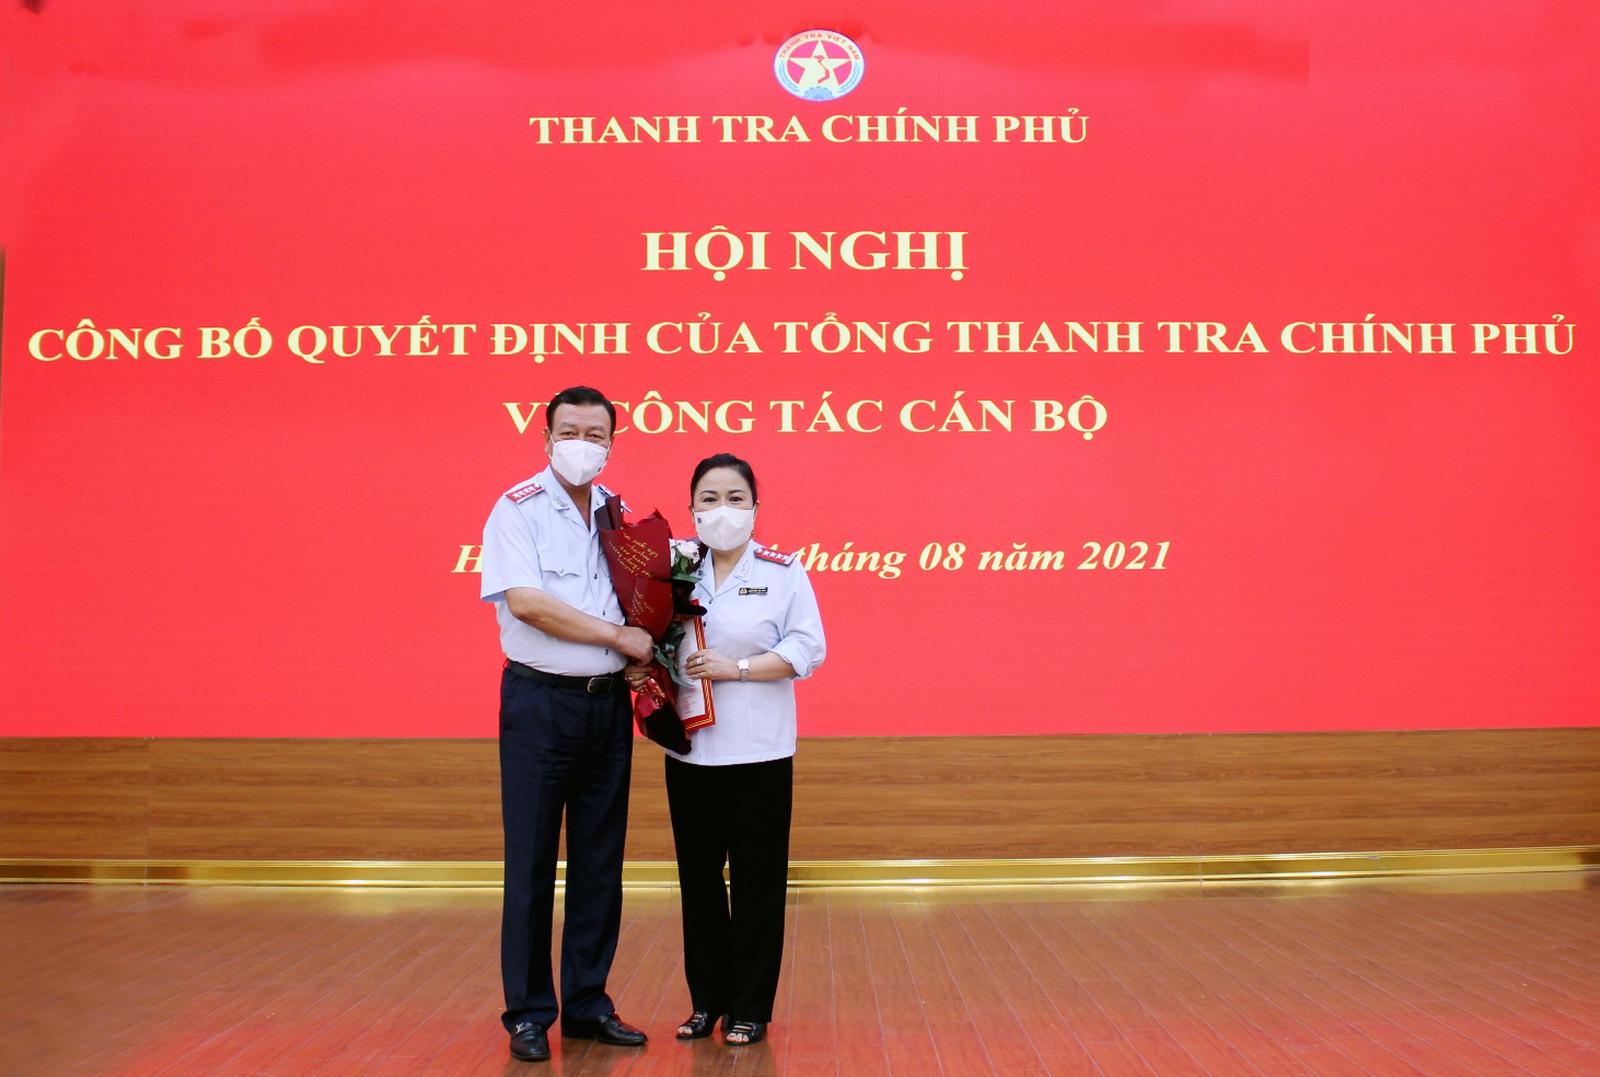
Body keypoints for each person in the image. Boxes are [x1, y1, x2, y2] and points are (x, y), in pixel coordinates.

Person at [478, 386, 655, 1064]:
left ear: (612, 442)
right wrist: (618, 636)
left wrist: (644, 651)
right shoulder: (516, 508)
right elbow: (528, 604)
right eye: (570, 431)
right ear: (547, 437)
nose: (583, 444)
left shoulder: (619, 514)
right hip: (540, 703)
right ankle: (528, 1012)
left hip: (606, 706)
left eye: (596, 434)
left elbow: (640, 604)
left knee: (599, 862)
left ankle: (587, 1004)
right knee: (529, 862)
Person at [628, 452, 826, 1047]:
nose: (722, 510)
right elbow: (646, 633)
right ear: (691, 509)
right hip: (691, 751)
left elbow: (807, 649)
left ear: (755, 508)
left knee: (757, 882)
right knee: (698, 882)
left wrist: (737, 668)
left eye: (735, 498)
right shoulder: (672, 568)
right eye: (709, 499)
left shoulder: (782, 570)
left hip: (759, 752)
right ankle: (706, 1001)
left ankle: (751, 1007)